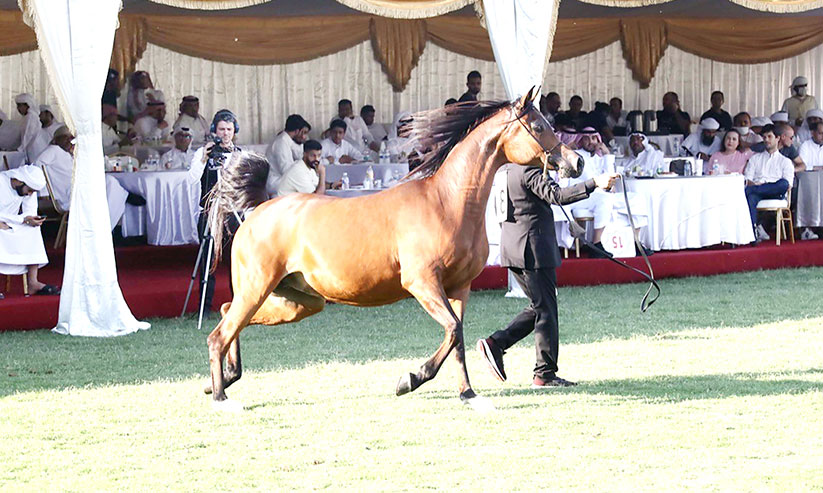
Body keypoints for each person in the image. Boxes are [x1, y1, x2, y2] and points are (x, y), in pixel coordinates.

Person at [476, 163, 618, 388]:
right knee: (546, 310)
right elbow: (557, 195)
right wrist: (595, 183)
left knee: (541, 307)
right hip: (533, 249)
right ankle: (542, 372)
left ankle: (499, 345)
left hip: (513, 246)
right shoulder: (529, 171)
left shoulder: (505, 170)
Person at [188, 109, 241, 315]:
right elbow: (192, 179)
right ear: (214, 131)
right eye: (221, 129)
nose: (225, 134)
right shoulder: (202, 153)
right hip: (210, 210)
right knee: (208, 262)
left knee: (235, 259)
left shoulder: (240, 154)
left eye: (229, 129)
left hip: (232, 211)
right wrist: (204, 158)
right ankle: (205, 307)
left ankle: (239, 303)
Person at [0, 165, 59, 296]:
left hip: (11, 223)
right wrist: (22, 220)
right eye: (30, 190)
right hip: (7, 222)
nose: (30, 194)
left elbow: (30, 212)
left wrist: (31, 220)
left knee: (33, 229)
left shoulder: (27, 188)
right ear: (19, 181)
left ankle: (33, 282)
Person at [744, 124, 794, 242]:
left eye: (769, 137)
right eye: (764, 137)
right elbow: (747, 179)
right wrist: (756, 186)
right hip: (758, 191)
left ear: (777, 138)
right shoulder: (755, 158)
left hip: (776, 192)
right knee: (751, 196)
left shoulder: (785, 161)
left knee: (783, 184)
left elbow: (788, 185)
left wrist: (761, 186)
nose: (766, 140)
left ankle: (756, 190)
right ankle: (752, 233)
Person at [265, 114, 310, 197]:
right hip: (276, 182)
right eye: (302, 132)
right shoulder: (281, 142)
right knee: (308, 188)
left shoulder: (288, 140)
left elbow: (300, 155)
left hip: (283, 180)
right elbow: (286, 170)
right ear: (297, 131)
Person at [798, 121, 823, 240]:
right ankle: (807, 229)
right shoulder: (806, 146)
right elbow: (802, 165)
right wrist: (816, 168)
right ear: (813, 133)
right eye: (820, 133)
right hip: (808, 182)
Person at [15, 93, 49, 162]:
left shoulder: (31, 117)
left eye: (20, 106)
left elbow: (28, 134)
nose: (18, 108)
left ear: (27, 105)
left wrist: (20, 149)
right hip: (31, 148)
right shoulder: (27, 117)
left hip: (36, 148)